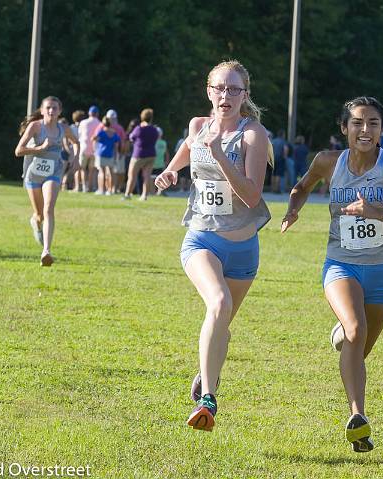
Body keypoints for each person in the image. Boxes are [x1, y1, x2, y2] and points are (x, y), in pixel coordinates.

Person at [281, 96, 383, 452]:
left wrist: (375, 211)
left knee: (358, 348)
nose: (365, 130)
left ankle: (343, 335)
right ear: (344, 128)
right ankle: (358, 418)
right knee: (356, 330)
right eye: (358, 122)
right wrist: (293, 208)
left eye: (373, 123)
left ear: (381, 129)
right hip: (341, 264)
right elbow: (302, 187)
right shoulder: (328, 162)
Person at [154, 60, 271, 432]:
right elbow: (188, 151)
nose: (226, 96)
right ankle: (208, 397)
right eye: (219, 88)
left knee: (221, 323)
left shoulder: (253, 135)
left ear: (244, 95)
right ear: (209, 91)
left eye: (234, 90)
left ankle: (207, 371)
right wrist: (172, 170)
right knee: (218, 303)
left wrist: (220, 154)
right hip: (201, 238)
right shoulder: (197, 126)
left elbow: (253, 196)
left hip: (243, 249)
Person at [14, 96, 79, 266]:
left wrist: (76, 159)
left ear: (60, 111)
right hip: (33, 174)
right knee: (40, 214)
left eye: (55, 108)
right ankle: (35, 222)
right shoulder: (35, 126)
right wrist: (39, 148)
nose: (51, 111)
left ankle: (46, 251)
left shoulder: (63, 128)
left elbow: (76, 142)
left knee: (49, 208)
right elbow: (18, 150)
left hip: (54, 173)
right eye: (48, 107)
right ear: (42, 111)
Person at [124, 108, 159, 201]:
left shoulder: (139, 128)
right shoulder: (154, 129)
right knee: (147, 176)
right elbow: (156, 138)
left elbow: (131, 137)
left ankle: (127, 194)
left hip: (138, 154)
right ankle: (144, 196)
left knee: (132, 175)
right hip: (151, 154)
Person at [92, 116, 121, 195]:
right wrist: (115, 157)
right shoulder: (114, 133)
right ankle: (110, 190)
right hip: (110, 154)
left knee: (102, 172)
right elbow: (116, 147)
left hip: (101, 154)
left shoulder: (101, 132)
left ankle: (102, 190)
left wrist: (94, 147)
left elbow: (93, 139)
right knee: (111, 173)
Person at [78, 106, 101, 192]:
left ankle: (84, 187)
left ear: (89, 113)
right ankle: (90, 187)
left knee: (83, 169)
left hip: (84, 147)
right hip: (94, 149)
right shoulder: (99, 123)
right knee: (92, 170)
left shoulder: (83, 122)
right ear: (97, 114)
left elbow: (80, 134)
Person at [69, 110, 86, 192]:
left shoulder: (71, 127)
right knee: (80, 168)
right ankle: (80, 186)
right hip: (81, 149)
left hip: (72, 150)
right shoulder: (84, 126)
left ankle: (76, 186)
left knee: (74, 168)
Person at [151, 127, 169, 195]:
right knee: (153, 178)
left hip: (159, 163)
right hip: (154, 163)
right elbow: (167, 153)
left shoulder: (161, 142)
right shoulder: (154, 142)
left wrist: (166, 161)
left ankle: (158, 192)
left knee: (158, 178)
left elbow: (166, 153)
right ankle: (154, 192)